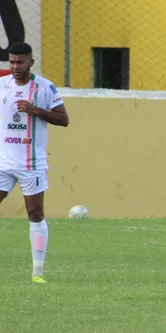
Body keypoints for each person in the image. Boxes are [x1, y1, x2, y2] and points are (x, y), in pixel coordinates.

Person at [0, 42, 70, 283]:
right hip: (3, 162)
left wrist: (35, 110)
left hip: (32, 163)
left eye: (20, 62)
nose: (15, 67)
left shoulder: (45, 87)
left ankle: (37, 272)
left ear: (31, 61)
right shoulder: (2, 85)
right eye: (11, 62)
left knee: (35, 213)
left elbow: (63, 119)